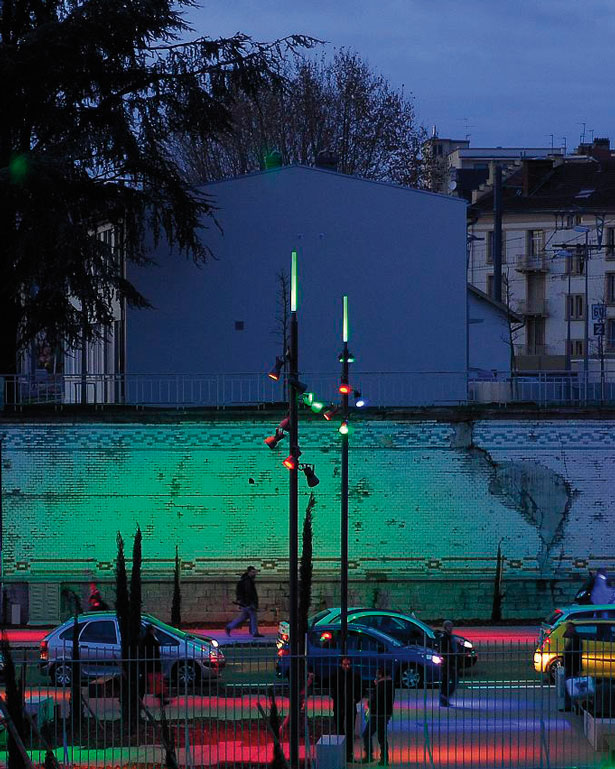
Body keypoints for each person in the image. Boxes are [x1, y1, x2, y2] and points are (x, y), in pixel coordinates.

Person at [330, 656, 363, 762]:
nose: (347, 666)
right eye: (345, 664)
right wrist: (336, 697)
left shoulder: (355, 676)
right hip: (339, 705)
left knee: (349, 731)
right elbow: (332, 688)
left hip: (350, 705)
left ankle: (349, 754)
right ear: (341, 664)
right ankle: (340, 753)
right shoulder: (336, 675)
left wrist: (356, 699)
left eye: (348, 664)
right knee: (339, 730)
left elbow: (361, 689)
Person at [362, 667, 395, 765]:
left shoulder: (381, 685)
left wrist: (369, 703)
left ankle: (369, 756)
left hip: (377, 714)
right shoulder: (390, 684)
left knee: (367, 734)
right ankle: (384, 758)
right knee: (381, 736)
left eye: (378, 673)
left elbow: (375, 700)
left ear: (381, 675)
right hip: (385, 713)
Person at [226, 565, 263, 637]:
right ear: (249, 572)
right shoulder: (248, 581)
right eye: (253, 572)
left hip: (245, 603)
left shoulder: (246, 580)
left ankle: (229, 627)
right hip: (248, 603)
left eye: (254, 572)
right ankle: (254, 632)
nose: (254, 574)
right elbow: (249, 593)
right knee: (253, 617)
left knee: (243, 617)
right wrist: (251, 603)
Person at [141, 624, 169, 705]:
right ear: (151, 630)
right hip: (152, 664)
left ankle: (162, 698)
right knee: (157, 682)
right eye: (153, 629)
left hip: (151, 664)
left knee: (156, 683)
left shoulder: (147, 639)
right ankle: (162, 699)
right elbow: (156, 645)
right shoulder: (150, 639)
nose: (155, 631)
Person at [562, 622, 582, 712]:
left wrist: (578, 668)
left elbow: (578, 655)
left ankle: (573, 706)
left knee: (572, 688)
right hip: (569, 666)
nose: (567, 630)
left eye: (569, 628)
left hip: (573, 667)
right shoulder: (572, 638)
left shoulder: (576, 640)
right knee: (569, 687)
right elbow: (564, 635)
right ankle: (570, 706)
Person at [439, 619, 459, 707]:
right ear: (445, 627)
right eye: (448, 626)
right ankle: (444, 697)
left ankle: (444, 698)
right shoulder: (445, 638)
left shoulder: (450, 637)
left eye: (451, 626)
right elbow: (444, 650)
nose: (450, 628)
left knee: (448, 681)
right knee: (450, 681)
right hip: (448, 663)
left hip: (450, 662)